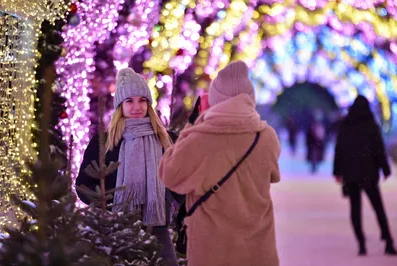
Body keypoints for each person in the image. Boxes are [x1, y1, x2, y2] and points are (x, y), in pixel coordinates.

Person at [159, 60, 281, 266]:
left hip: (213, 250)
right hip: (257, 249)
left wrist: (192, 125)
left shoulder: (200, 137)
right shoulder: (266, 136)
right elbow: (273, 175)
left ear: (215, 99)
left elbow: (169, 175)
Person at [76, 68, 179, 266]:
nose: (136, 106)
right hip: (116, 231)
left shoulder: (167, 139)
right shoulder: (103, 143)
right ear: (120, 106)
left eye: (142, 100)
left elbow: (184, 178)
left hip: (157, 228)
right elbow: (83, 185)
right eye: (129, 101)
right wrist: (107, 204)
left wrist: (170, 201)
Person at [333, 95, 397, 256]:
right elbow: (378, 149)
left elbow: (339, 148)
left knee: (355, 210)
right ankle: (388, 241)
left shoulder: (346, 124)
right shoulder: (370, 125)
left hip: (351, 174)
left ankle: (361, 243)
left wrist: (338, 171)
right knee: (378, 208)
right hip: (369, 173)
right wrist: (385, 168)